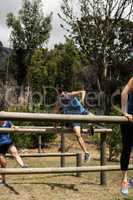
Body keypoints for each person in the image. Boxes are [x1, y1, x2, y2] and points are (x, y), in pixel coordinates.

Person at [54, 88, 94, 162]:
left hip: (81, 112)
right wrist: (55, 125)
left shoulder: (70, 94)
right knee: (77, 135)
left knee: (94, 117)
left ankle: (90, 126)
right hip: (74, 118)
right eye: (61, 96)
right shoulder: (59, 102)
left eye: (63, 95)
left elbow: (83, 91)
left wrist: (82, 100)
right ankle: (86, 153)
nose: (63, 97)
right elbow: (56, 114)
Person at [0, 120, 27, 185]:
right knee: (3, 163)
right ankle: (2, 180)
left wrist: (15, 127)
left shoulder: (8, 122)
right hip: (0, 145)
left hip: (8, 143)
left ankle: (22, 165)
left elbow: (13, 126)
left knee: (15, 153)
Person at [120, 77, 133, 195]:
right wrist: (124, 112)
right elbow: (124, 92)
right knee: (127, 149)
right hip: (129, 120)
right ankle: (124, 180)